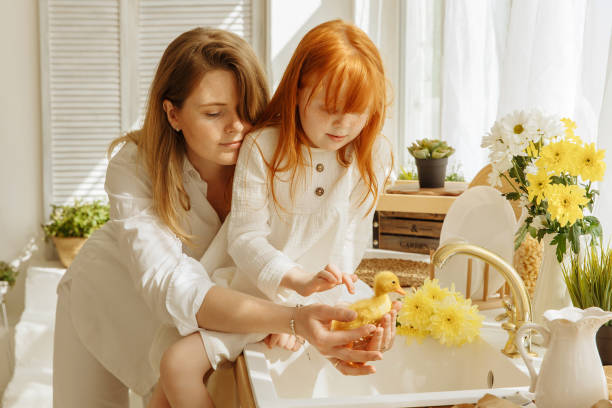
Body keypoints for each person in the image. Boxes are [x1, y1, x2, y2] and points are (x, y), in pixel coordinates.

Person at [52, 27, 394, 408]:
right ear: (173, 113)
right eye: (214, 113)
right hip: (110, 294)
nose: (237, 127)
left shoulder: (268, 157)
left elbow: (316, 243)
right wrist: (288, 318)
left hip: (221, 311)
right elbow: (172, 285)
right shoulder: (135, 167)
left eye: (246, 110)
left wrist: (299, 318)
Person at [152, 20, 396, 408]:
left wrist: (311, 314)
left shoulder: (374, 155)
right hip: (253, 294)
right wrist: (292, 296)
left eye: (359, 112)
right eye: (330, 109)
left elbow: (350, 240)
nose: (344, 125)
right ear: (297, 90)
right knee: (174, 370)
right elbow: (245, 238)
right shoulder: (263, 147)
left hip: (319, 302)